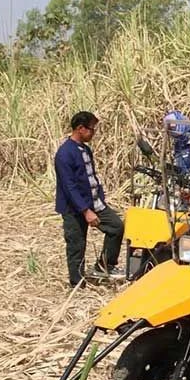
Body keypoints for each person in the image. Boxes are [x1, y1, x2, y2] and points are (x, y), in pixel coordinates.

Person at [54, 111, 124, 287]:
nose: (94, 133)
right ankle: (77, 283)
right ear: (80, 129)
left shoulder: (85, 149)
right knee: (76, 245)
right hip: (75, 208)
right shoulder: (64, 154)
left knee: (116, 226)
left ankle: (104, 265)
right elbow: (69, 187)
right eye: (92, 129)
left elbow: (90, 176)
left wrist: (98, 197)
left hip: (94, 202)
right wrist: (85, 211)